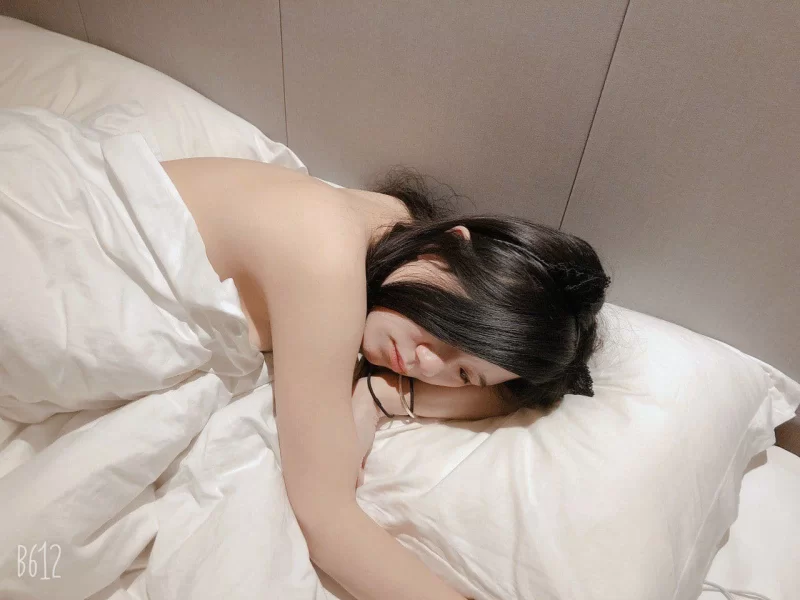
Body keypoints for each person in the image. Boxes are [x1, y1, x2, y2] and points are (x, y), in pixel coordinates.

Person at [161, 158, 610, 600]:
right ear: (447, 250)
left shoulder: (396, 231)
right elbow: (324, 515)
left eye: (462, 373)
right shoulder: (325, 252)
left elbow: (504, 396)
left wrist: (386, 395)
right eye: (450, 328)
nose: (426, 366)